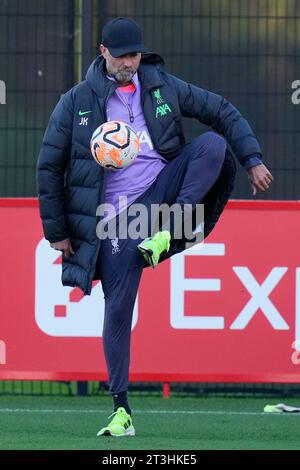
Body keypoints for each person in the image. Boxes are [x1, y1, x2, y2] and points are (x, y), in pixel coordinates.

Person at [36, 17, 274, 437]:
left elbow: (221, 110)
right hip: (115, 222)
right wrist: (56, 232)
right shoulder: (75, 102)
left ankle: (167, 230)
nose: (131, 62)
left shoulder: (162, 85)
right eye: (123, 55)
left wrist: (251, 158)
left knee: (213, 146)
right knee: (117, 307)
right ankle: (121, 410)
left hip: (162, 201)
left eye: (135, 54)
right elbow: (49, 167)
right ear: (103, 51)